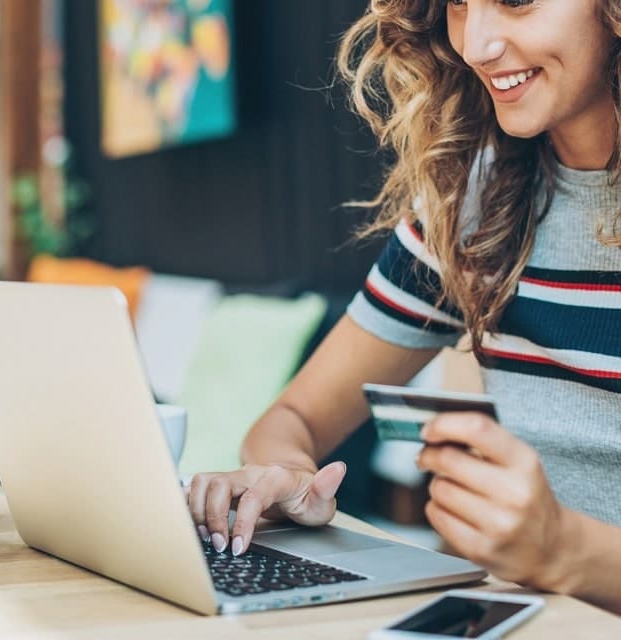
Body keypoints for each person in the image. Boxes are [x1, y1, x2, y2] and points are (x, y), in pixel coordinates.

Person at [187, 0, 621, 614]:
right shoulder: (471, 206)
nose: (478, 45)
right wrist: (285, 474)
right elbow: (293, 418)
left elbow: (558, 553)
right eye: (459, 5)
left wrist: (567, 550)